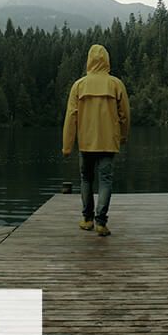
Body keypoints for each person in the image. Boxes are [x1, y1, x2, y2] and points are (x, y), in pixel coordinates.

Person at [62, 44, 131, 237]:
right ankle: (101, 222)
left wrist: (67, 146)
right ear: (106, 60)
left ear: (89, 60)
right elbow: (125, 115)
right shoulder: (116, 84)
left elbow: (71, 117)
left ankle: (87, 219)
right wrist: (123, 136)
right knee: (105, 181)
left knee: (86, 179)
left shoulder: (79, 85)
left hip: (86, 142)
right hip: (108, 142)